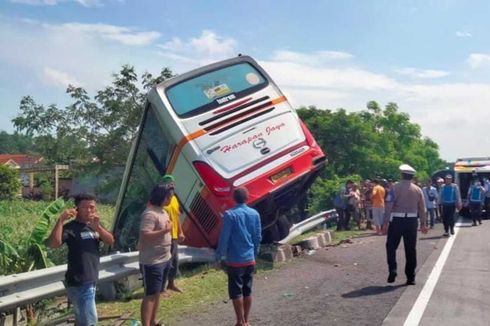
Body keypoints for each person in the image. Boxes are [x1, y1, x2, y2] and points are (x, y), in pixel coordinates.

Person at [47, 193, 114, 326]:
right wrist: (60, 221)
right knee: (90, 321)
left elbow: (110, 241)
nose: (89, 210)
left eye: (92, 207)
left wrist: (98, 228)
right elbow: (53, 244)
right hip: (79, 281)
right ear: (76, 208)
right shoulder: (70, 228)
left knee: (82, 319)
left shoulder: (94, 226)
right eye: (84, 207)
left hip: (91, 279)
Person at [215, 187, 262, 326]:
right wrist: (254, 254)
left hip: (235, 260)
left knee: (236, 292)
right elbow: (257, 237)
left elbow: (224, 238)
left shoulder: (230, 215)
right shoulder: (255, 214)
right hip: (249, 258)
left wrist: (220, 257)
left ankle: (239, 321)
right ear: (247, 198)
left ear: (233, 198)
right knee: (247, 290)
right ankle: (246, 320)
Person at [385, 164, 428, 286]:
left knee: (391, 246)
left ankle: (393, 270)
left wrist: (385, 222)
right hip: (412, 221)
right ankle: (411, 277)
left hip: (397, 220)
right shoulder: (417, 189)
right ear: (412, 176)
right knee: (410, 249)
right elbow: (422, 208)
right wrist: (424, 224)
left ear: (401, 174)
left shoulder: (395, 188)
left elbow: (388, 205)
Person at [139, 184, 173, 326]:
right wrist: (164, 232)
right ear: (162, 197)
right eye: (169, 196)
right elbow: (145, 235)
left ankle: (153, 321)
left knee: (158, 292)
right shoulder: (150, 213)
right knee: (150, 295)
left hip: (165, 258)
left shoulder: (163, 212)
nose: (171, 199)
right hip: (152, 261)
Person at [161, 174, 185, 293]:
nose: (171, 186)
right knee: (166, 263)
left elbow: (176, 217)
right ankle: (162, 288)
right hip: (165, 236)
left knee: (174, 262)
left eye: (172, 184)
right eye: (168, 184)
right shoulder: (161, 201)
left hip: (174, 235)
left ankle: (171, 284)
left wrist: (181, 232)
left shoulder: (174, 199)